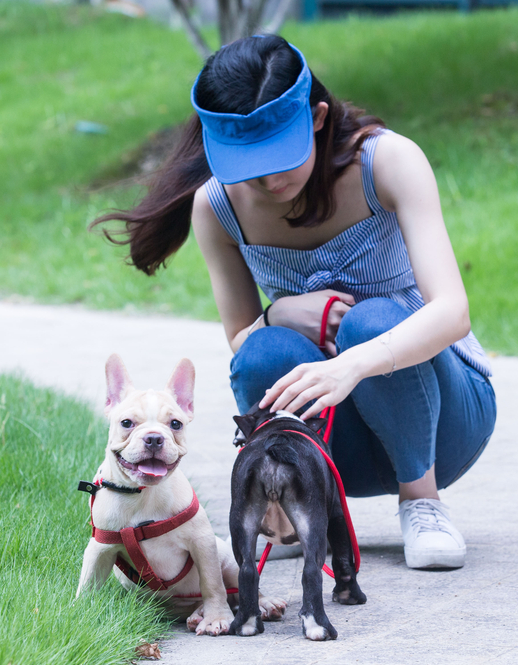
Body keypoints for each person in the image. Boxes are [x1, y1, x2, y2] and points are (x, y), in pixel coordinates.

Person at [94, 35, 496, 570]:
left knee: (371, 322)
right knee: (265, 348)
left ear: (318, 117)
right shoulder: (217, 207)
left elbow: (452, 311)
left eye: (280, 157)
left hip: (445, 419)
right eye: (248, 163)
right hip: (335, 442)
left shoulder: (388, 161)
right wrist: (278, 313)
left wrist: (350, 365)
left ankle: (422, 503)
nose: (269, 178)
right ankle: (291, 504)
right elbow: (241, 342)